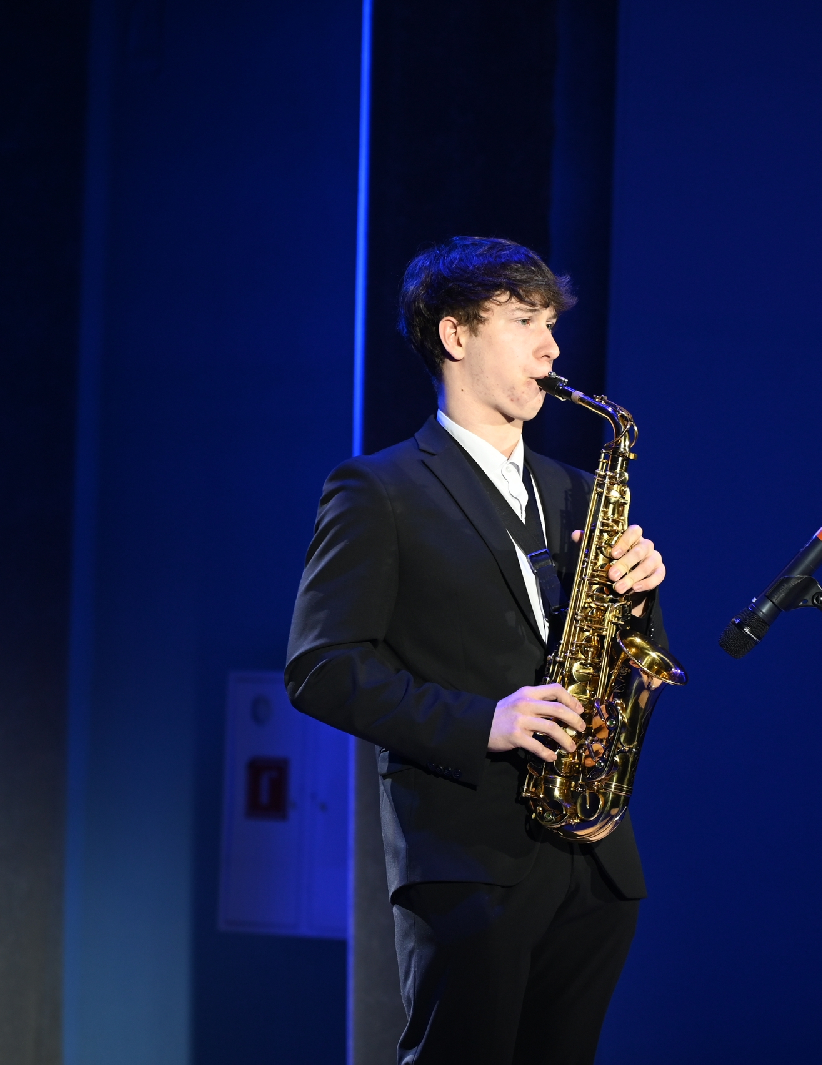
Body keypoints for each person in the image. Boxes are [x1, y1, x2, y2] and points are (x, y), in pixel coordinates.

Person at [285, 236, 672, 1064]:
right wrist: (484, 721)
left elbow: (627, 661)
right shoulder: (377, 489)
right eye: (526, 321)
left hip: (593, 857)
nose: (552, 347)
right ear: (455, 334)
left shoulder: (578, 488)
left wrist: (638, 598)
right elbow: (321, 668)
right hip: (468, 860)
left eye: (552, 323)